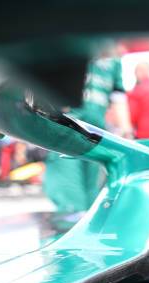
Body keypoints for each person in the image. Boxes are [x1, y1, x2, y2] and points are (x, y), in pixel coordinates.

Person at [43, 55, 132, 214]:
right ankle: (69, 224)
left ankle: (87, 228)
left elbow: (118, 94)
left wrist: (126, 127)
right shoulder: (76, 36)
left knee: (93, 190)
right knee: (68, 189)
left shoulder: (114, 57)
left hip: (97, 132)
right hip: (66, 124)